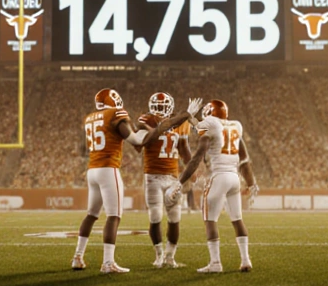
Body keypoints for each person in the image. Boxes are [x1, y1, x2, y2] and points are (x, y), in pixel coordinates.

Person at [70, 88, 194, 274]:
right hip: (108, 169)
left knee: (92, 214)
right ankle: (108, 262)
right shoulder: (116, 113)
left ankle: (77, 257)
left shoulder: (90, 118)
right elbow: (136, 141)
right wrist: (163, 126)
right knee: (114, 215)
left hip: (92, 169)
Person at [176, 99, 258, 273]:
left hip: (218, 176)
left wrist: (190, 116)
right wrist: (251, 182)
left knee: (210, 220)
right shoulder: (236, 125)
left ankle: (215, 263)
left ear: (211, 114)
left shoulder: (211, 123)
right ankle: (245, 260)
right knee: (237, 219)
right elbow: (245, 159)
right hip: (234, 177)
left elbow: (200, 144)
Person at [139, 92, 192, 269]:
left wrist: (192, 171)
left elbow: (184, 149)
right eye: (157, 106)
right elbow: (142, 143)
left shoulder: (182, 125)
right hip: (152, 175)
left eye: (163, 106)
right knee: (155, 215)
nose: (160, 110)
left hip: (172, 176)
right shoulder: (146, 120)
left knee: (175, 217)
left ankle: (170, 257)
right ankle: (159, 255)